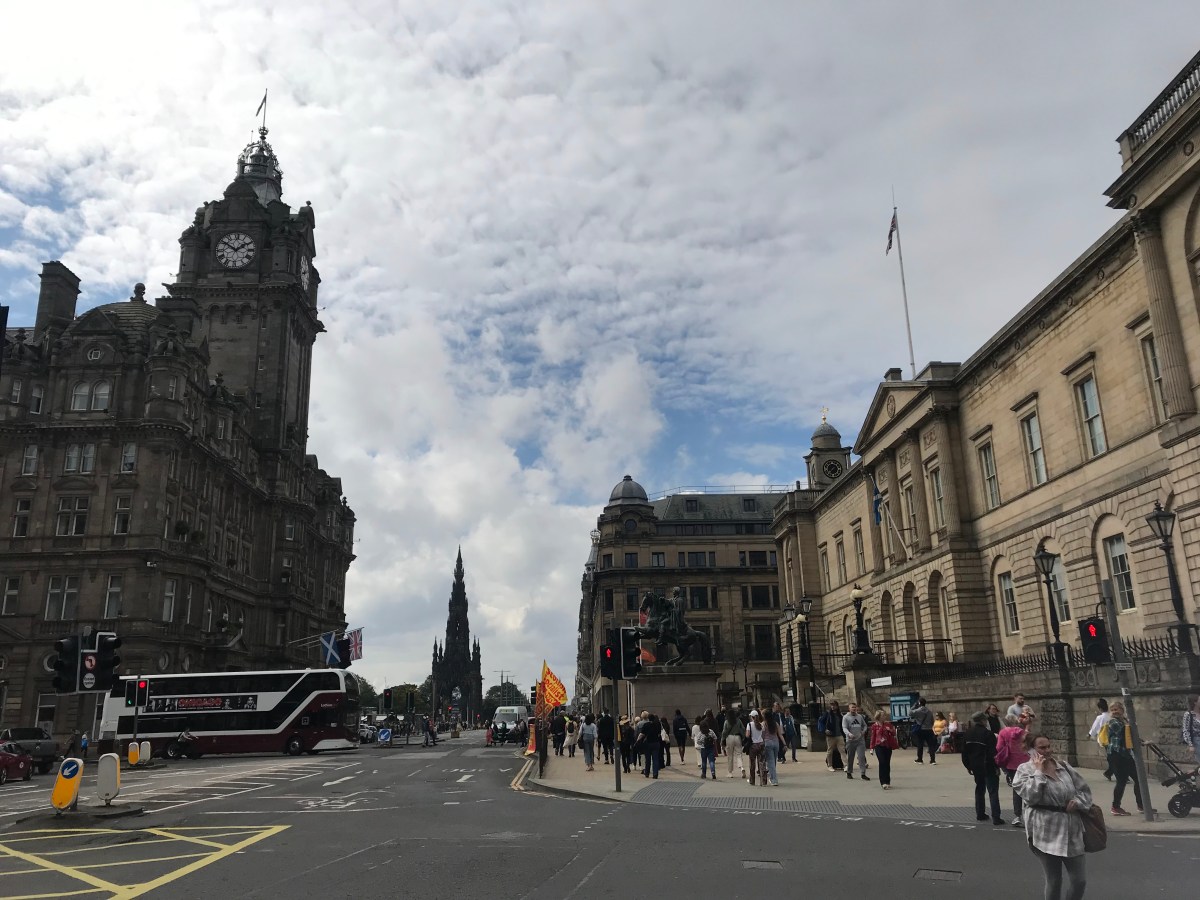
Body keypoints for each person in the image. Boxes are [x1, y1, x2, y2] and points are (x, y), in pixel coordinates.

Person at [1012, 733, 1093, 900]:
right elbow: (1030, 796)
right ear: (1031, 750)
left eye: (1049, 746)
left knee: (1079, 881)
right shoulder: (1024, 770)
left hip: (1072, 828)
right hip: (1045, 830)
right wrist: (1039, 772)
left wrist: (1077, 801)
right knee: (1054, 880)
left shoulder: (1063, 766)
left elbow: (1084, 791)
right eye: (1042, 748)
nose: (1047, 751)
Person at [1104, 701, 1145, 816]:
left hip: (1124, 755)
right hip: (1116, 755)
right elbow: (1128, 733)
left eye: (1116, 709)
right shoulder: (1114, 722)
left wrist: (1142, 742)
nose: (1115, 712)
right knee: (1122, 781)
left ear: (1122, 710)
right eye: (1112, 710)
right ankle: (1115, 807)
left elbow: (1130, 735)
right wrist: (1132, 725)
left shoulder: (1124, 721)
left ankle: (1141, 805)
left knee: (1138, 779)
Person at [962, 711, 1002, 825]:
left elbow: (964, 752)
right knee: (993, 791)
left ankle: (980, 813)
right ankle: (996, 817)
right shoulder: (988, 734)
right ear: (983, 720)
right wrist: (996, 766)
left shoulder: (968, 733)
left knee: (979, 789)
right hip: (988, 765)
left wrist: (968, 765)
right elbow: (993, 753)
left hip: (975, 766)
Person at [996, 712, 1032, 826]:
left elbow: (998, 747)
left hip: (1011, 764)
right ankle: (1028, 814)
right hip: (1025, 764)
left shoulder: (1003, 732)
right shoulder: (1023, 732)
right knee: (1028, 788)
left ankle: (1017, 816)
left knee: (1016, 790)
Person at [868, 709, 899, 790]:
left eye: (884, 715)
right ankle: (883, 782)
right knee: (882, 762)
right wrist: (871, 748)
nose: (884, 717)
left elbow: (894, 733)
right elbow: (873, 737)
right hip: (879, 746)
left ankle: (887, 781)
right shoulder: (874, 726)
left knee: (887, 763)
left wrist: (890, 730)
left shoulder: (888, 724)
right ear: (879, 717)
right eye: (883, 716)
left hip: (887, 745)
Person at [842, 702, 870, 781]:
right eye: (852, 707)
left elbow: (864, 725)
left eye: (855, 707)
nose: (854, 709)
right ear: (849, 708)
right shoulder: (846, 717)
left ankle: (863, 773)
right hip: (850, 740)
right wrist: (849, 734)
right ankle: (849, 772)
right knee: (851, 757)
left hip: (860, 739)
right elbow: (844, 728)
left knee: (861, 757)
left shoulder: (860, 716)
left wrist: (863, 731)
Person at [1087, 699, 1112, 780]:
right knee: (1113, 756)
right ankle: (1110, 772)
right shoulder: (1111, 716)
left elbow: (1095, 727)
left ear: (1100, 709)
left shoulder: (1100, 718)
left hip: (1105, 739)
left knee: (1111, 756)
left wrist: (1089, 734)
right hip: (1112, 738)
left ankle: (1109, 772)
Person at [818, 701, 845, 771]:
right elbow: (821, 721)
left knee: (842, 750)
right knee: (830, 751)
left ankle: (846, 765)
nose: (832, 707)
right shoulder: (828, 714)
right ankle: (830, 765)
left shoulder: (840, 714)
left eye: (834, 705)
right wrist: (825, 730)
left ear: (837, 706)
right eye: (831, 705)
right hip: (830, 736)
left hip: (839, 735)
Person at [911, 698, 937, 764]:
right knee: (931, 745)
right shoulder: (929, 711)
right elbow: (932, 721)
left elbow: (910, 713)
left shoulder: (918, 711)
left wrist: (914, 706)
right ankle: (932, 760)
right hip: (929, 730)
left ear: (919, 703)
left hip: (921, 730)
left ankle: (920, 759)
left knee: (920, 744)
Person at [761, 710, 784, 786]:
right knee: (773, 761)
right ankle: (773, 776)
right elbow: (780, 734)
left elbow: (763, 735)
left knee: (770, 762)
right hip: (776, 742)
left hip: (768, 743)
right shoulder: (775, 723)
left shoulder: (764, 724)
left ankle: (774, 779)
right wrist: (784, 744)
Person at [636, 713, 662, 778]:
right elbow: (659, 734)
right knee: (655, 759)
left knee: (648, 759)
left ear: (648, 718)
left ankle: (647, 772)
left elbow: (642, 734)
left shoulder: (646, 725)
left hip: (647, 744)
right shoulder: (657, 725)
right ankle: (655, 774)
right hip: (656, 743)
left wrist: (637, 740)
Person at [722, 709, 746, 778]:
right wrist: (743, 737)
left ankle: (730, 772)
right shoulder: (738, 721)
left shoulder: (727, 721)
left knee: (730, 756)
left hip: (729, 738)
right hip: (738, 737)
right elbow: (743, 729)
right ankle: (741, 768)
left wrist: (722, 740)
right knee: (739, 754)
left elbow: (724, 732)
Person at [745, 710, 766, 786]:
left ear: (752, 717)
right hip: (761, 744)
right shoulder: (761, 725)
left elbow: (747, 735)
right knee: (762, 763)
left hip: (753, 746)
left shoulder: (749, 725)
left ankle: (752, 780)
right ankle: (763, 781)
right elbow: (763, 735)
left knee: (752, 764)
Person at [1183, 695, 1200, 765]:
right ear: (1195, 702)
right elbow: (1186, 730)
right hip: (1196, 740)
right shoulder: (1188, 714)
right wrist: (1190, 745)